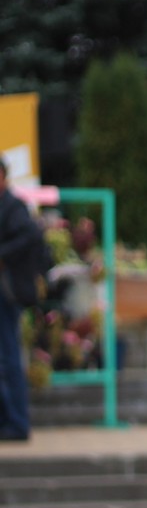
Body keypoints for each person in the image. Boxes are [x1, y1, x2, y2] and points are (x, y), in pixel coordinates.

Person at [0, 156, 41, 441]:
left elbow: (30, 237)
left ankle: (16, 423)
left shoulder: (12, 206)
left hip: (6, 294)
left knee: (8, 357)